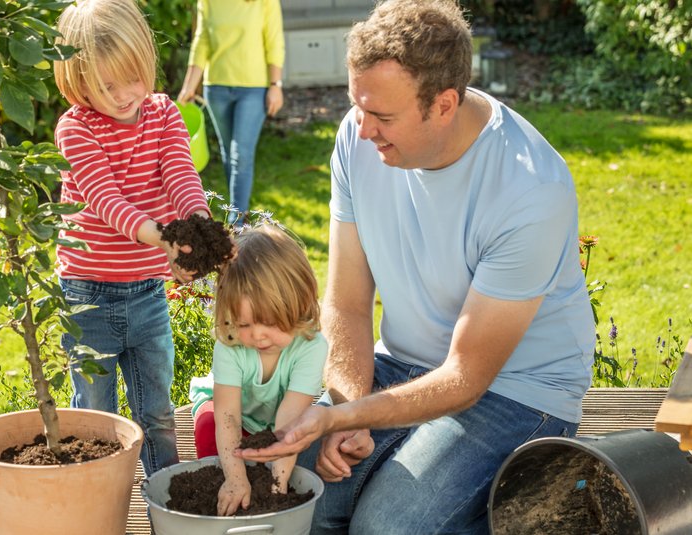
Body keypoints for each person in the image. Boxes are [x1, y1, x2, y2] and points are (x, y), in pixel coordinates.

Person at [236, 1, 596, 533]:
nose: (363, 130)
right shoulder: (356, 142)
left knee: (385, 529)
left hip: (515, 390)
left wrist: (345, 418)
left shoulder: (529, 189)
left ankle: (546, 512)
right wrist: (347, 406)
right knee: (295, 498)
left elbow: (467, 378)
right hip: (402, 365)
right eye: (358, 106)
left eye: (383, 117)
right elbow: (346, 303)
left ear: (444, 104)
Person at [52, 0, 213, 477]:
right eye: (106, 85)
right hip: (88, 297)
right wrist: (165, 238)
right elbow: (106, 201)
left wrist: (198, 224)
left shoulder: (163, 114)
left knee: (157, 413)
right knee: (98, 420)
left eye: (134, 78)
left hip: (146, 293)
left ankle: (165, 499)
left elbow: (180, 174)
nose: (125, 95)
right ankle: (100, 505)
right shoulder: (76, 129)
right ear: (78, 81)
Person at [188, 224, 327, 516]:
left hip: (276, 420)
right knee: (207, 428)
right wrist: (236, 478)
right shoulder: (231, 345)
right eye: (244, 324)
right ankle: (220, 484)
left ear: (299, 305)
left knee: (304, 448)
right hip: (230, 414)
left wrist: (276, 491)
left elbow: (289, 421)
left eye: (271, 323)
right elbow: (228, 417)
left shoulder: (311, 347)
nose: (259, 336)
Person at [176, 0, 285, 224]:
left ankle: (237, 224)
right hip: (216, 87)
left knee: (240, 156)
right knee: (229, 154)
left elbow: (274, 40)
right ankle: (236, 213)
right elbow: (202, 39)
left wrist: (276, 85)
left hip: (254, 88)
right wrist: (189, 85)